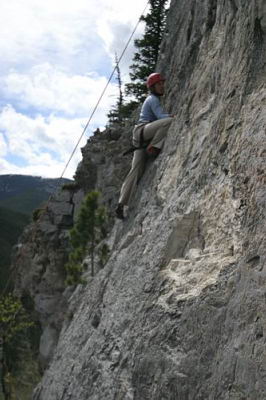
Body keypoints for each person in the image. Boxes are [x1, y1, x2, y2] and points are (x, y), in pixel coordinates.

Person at [115, 72, 173, 220]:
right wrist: (174, 117)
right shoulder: (152, 99)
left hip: (140, 137)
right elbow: (162, 117)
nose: (162, 86)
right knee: (168, 122)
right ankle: (153, 147)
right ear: (152, 87)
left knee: (136, 171)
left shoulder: (152, 99)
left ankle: (121, 205)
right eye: (159, 84)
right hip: (143, 132)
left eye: (162, 83)